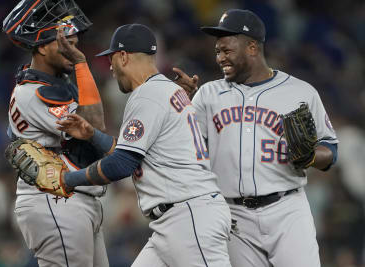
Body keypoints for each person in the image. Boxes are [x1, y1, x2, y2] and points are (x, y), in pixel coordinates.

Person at [54, 23, 232, 267]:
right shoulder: (167, 90)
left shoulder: (147, 94)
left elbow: (121, 165)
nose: (111, 68)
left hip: (190, 218)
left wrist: (66, 180)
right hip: (176, 220)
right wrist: (92, 135)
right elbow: (134, 155)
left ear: (124, 56)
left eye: (112, 59)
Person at [172, 9, 339, 267]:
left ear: (252, 47)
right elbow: (185, 146)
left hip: (287, 210)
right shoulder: (208, 94)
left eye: (227, 51)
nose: (220, 58)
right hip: (234, 216)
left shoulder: (300, 91)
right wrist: (184, 105)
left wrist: (311, 156)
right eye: (218, 52)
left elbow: (331, 150)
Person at [3, 0, 109, 266]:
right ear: (41, 45)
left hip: (71, 201)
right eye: (66, 44)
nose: (73, 50)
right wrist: (82, 64)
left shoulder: (53, 84)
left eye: (74, 44)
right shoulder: (34, 92)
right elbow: (95, 124)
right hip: (55, 201)